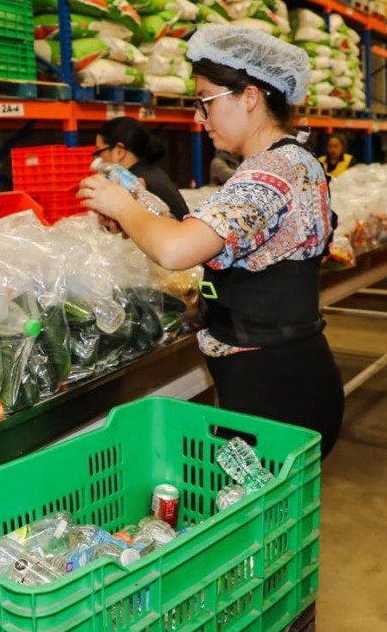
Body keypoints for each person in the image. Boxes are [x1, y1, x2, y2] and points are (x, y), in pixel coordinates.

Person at [78, 24, 344, 459]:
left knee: (259, 520)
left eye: (205, 102)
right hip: (273, 380)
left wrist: (122, 205)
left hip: (277, 392)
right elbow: (216, 239)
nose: (198, 119)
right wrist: (138, 215)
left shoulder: (271, 173)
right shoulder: (282, 163)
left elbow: (177, 250)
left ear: (250, 97)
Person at [94, 117, 190, 220]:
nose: (97, 159)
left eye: (99, 152)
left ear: (119, 152)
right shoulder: (151, 173)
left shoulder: (136, 184)